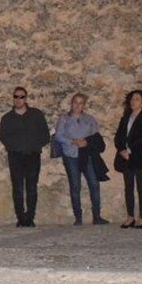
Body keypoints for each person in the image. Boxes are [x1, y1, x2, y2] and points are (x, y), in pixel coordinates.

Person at [53, 93, 109, 226]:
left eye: (81, 103)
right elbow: (58, 136)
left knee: (94, 184)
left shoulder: (90, 119)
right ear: (71, 103)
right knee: (75, 185)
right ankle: (78, 217)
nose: (78, 105)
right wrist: (73, 142)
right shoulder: (64, 119)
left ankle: (97, 216)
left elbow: (96, 137)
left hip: (87, 154)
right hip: (71, 155)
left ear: (84, 105)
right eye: (75, 102)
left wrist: (86, 142)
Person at [0, 86, 50, 227]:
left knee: (32, 187)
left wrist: (33, 145)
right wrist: (15, 147)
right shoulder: (7, 118)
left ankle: (30, 217)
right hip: (15, 156)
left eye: (21, 96)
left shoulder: (36, 115)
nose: (18, 99)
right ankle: (21, 217)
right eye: (16, 96)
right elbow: (4, 137)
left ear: (26, 98)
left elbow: (45, 135)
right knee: (18, 188)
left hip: (32, 155)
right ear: (13, 98)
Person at [113, 90, 142, 229]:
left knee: (140, 187)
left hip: (140, 156)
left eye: (137, 99)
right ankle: (130, 216)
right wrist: (121, 150)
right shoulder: (126, 117)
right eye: (132, 99)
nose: (133, 101)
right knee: (128, 187)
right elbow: (119, 135)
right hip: (125, 156)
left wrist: (130, 150)